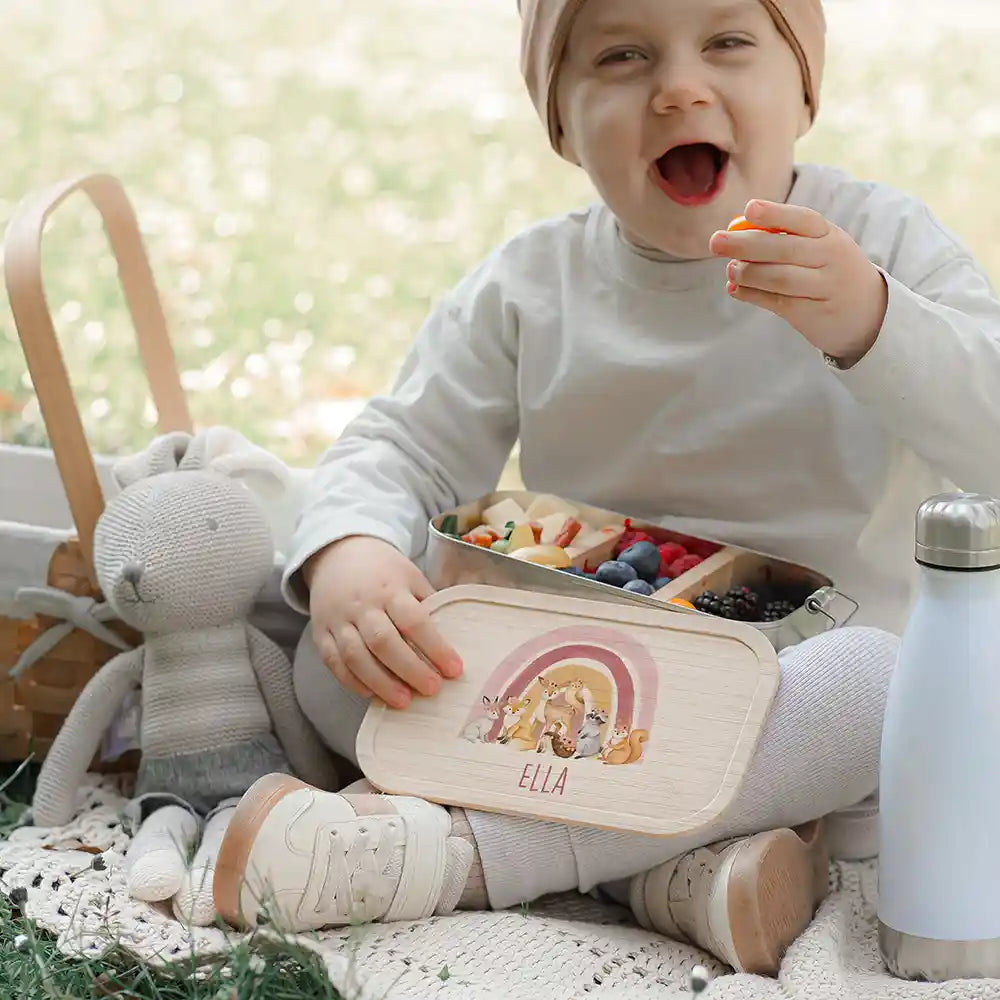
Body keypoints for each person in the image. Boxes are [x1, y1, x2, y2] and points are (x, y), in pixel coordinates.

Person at [212, 0, 1000, 976]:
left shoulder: (884, 244)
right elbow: (402, 443)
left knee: (880, 684)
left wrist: (875, 323)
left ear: (803, 91)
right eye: (623, 56)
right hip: (580, 704)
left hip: (793, 701)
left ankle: (457, 859)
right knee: (339, 659)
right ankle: (666, 871)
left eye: (727, 42)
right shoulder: (532, 282)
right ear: (560, 125)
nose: (678, 88)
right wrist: (352, 554)